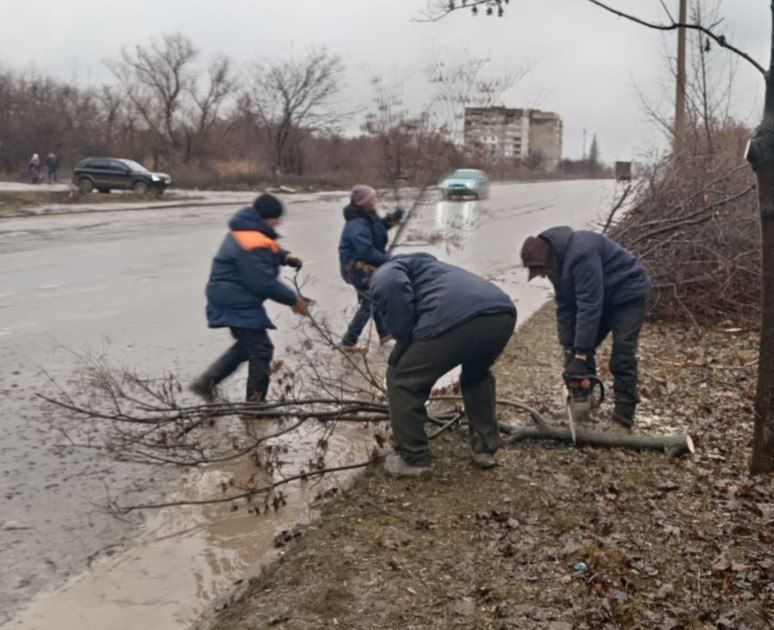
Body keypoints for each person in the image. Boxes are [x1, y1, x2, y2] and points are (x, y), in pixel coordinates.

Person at [370, 253, 517, 477]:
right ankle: (485, 449)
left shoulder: (387, 270)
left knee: (401, 378)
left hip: (458, 317)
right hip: (501, 313)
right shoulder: (431, 269)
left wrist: (403, 341)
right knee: (477, 375)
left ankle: (413, 458)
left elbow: (391, 286)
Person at [520, 226, 651, 428]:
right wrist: (569, 349)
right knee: (576, 349)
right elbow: (565, 305)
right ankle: (581, 405)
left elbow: (589, 305)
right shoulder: (556, 265)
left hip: (627, 293)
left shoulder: (582, 253)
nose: (543, 275)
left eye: (541, 270)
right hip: (601, 297)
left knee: (622, 355)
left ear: (548, 259)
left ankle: (623, 419)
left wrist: (581, 353)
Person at [190, 193, 308, 404]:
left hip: (230, 296)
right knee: (261, 349)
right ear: (266, 217)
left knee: (248, 346)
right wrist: (294, 300)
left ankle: (206, 383)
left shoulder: (248, 229)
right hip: (235, 300)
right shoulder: (251, 241)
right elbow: (263, 283)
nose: (279, 222)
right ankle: (255, 405)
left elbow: (269, 246)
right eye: (276, 217)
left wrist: (285, 256)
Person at [338, 184, 404, 352]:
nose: (375, 200)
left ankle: (384, 333)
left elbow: (378, 228)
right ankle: (349, 340)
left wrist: (393, 219)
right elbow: (366, 252)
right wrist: (390, 259)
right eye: (372, 198)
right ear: (363, 202)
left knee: (373, 299)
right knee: (370, 302)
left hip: (367, 268)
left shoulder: (367, 216)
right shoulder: (356, 223)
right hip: (357, 269)